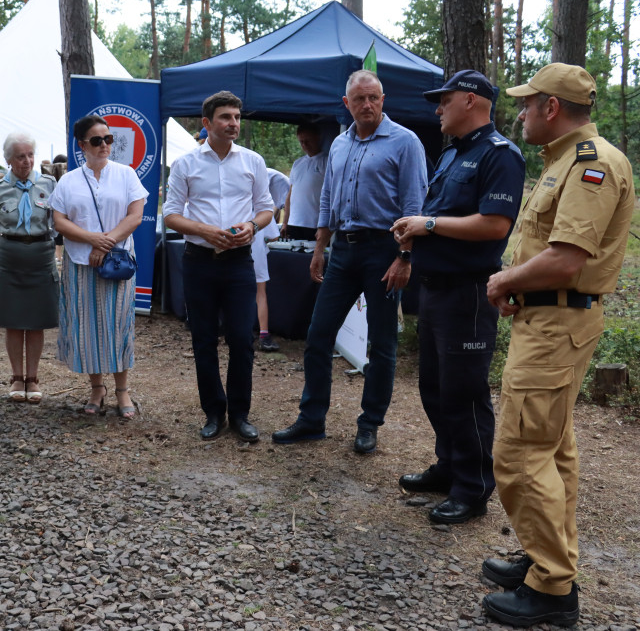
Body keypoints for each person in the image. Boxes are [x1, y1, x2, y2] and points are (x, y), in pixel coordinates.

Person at [478, 64, 635, 627]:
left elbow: (568, 260)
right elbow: (548, 250)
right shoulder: (564, 161)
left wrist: (504, 281)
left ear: (551, 107)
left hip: (555, 329)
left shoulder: (591, 165)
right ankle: (546, 557)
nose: (519, 114)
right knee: (553, 449)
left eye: (526, 104)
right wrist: (521, 284)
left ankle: (551, 588)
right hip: (546, 321)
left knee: (520, 454)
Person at [390, 70, 525, 525]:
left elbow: (494, 224)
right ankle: (449, 466)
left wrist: (428, 225)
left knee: (464, 393)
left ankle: (472, 488)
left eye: (444, 100)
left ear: (470, 100)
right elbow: (437, 215)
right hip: (434, 289)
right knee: (434, 387)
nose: (437, 109)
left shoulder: (500, 155)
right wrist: (413, 241)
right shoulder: (451, 154)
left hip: (469, 292)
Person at [272, 70, 428, 454]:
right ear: (347, 104)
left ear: (383, 98)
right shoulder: (340, 145)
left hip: (384, 250)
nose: (367, 105)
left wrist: (404, 257)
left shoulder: (405, 142)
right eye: (359, 99)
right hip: (343, 249)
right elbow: (328, 199)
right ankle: (312, 419)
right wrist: (321, 248)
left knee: (382, 343)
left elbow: (414, 207)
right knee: (318, 336)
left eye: (373, 97)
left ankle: (370, 422)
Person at [164, 91, 275, 440]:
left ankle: (240, 414)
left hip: (240, 262)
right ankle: (214, 412)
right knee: (203, 339)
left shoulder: (253, 162)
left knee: (243, 338)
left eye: (237, 117)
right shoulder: (186, 164)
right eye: (226, 117)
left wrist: (253, 226)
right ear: (207, 123)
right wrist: (205, 231)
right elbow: (170, 215)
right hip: (199, 262)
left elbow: (266, 207)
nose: (234, 124)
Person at [52, 115, 148, 418]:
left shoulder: (126, 174)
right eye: (97, 140)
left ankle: (122, 390)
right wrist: (92, 239)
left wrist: (104, 243)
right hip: (80, 263)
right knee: (86, 326)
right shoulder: (68, 180)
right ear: (82, 145)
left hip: (117, 262)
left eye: (109, 139)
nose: (105, 145)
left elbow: (135, 215)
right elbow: (59, 221)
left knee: (118, 325)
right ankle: (97, 388)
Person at [0, 133, 58, 403]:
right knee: (13, 321)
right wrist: (16, 245)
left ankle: (33, 378)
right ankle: (16, 376)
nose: (26, 161)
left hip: (41, 256)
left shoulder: (49, 184)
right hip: (10, 256)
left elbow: (57, 223)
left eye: (29, 155)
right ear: (8, 160)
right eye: (20, 156)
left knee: (36, 322)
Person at [252, 167, 292, 352]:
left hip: (237, 256)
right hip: (257, 255)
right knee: (261, 294)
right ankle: (264, 335)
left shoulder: (237, 205)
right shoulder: (262, 212)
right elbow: (273, 236)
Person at [282, 123, 328, 242]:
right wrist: (285, 222)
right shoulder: (297, 163)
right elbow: (290, 195)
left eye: (308, 141)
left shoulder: (327, 162)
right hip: (294, 222)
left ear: (317, 137)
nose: (304, 145)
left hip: (315, 224)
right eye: (301, 142)